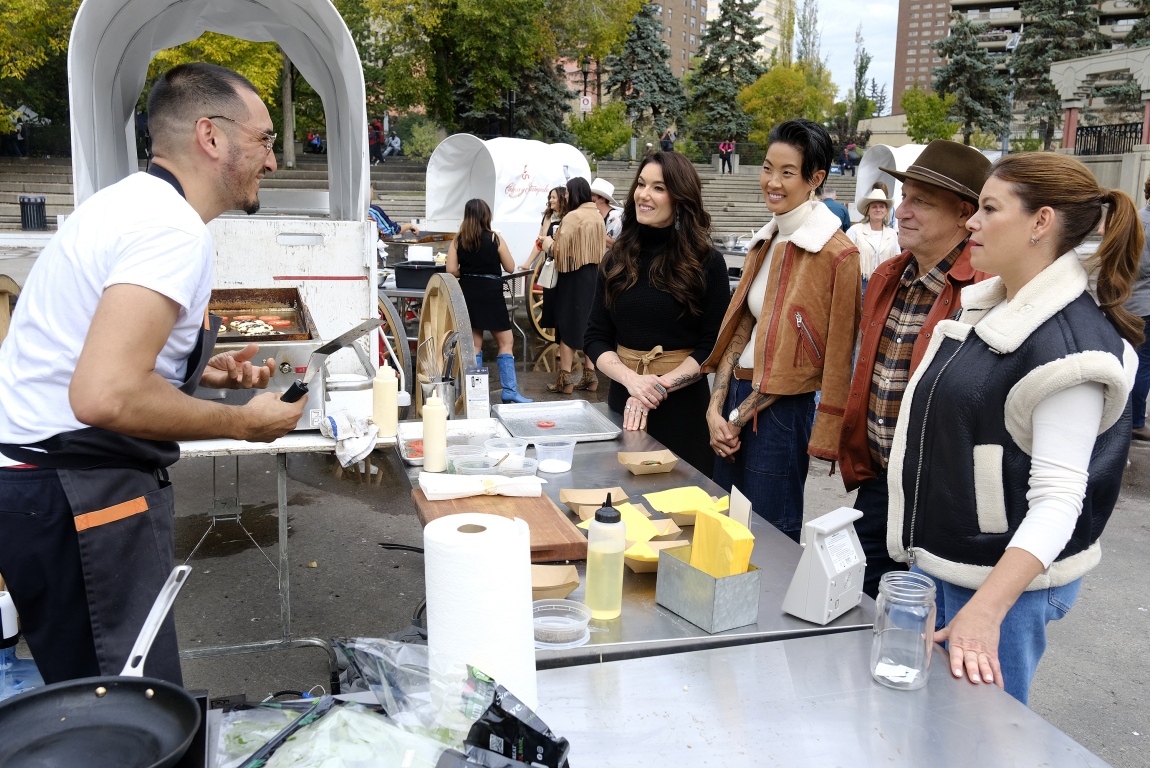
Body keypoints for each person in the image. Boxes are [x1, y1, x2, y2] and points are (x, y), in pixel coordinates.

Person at [0, 63, 305, 687]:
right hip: (74, 489)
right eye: (265, 139)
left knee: (102, 695)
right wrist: (242, 424)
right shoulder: (170, 229)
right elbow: (104, 394)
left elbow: (97, 351)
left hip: (46, 484)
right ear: (211, 136)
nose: (273, 161)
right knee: (124, 705)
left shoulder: (127, 204)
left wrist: (198, 372)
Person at [887, 151, 1142, 705]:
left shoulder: (1070, 350)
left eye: (989, 208)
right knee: (933, 728)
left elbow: (1059, 500)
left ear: (1040, 222)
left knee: (981, 734)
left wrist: (987, 610)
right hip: (950, 567)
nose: (972, 223)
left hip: (998, 587)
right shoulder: (996, 308)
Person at [836, 139, 992, 599]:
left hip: (945, 499)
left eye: (921, 202)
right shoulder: (888, 277)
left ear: (965, 214)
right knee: (855, 607)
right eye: (904, 197)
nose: (901, 212)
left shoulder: (986, 290)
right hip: (882, 484)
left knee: (927, 620)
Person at [701, 118, 861, 543]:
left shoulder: (837, 254)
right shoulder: (766, 240)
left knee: (770, 539)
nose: (772, 181)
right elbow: (742, 329)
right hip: (734, 397)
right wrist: (716, 410)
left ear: (815, 179)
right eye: (768, 168)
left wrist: (736, 417)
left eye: (788, 172)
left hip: (780, 414)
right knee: (721, 531)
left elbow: (835, 356)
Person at [584, 152, 730, 475]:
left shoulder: (708, 263)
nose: (644, 195)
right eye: (641, 184)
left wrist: (656, 388)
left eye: (658, 188)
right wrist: (633, 381)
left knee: (683, 500)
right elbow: (595, 337)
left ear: (680, 198)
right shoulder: (616, 259)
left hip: (683, 411)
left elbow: (711, 346)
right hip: (624, 404)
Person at [446, 199, 532, 404]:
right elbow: (510, 267)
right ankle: (509, 391)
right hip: (491, 294)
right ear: (487, 216)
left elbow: (451, 270)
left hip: (468, 293)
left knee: (475, 345)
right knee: (506, 342)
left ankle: (475, 394)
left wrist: (468, 272)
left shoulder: (458, 240)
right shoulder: (495, 238)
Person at [542, 177, 604, 394]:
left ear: (575, 193)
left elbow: (560, 252)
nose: (565, 196)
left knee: (567, 324)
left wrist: (548, 243)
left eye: (567, 192)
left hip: (572, 277)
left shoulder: (572, 216)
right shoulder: (597, 217)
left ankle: (565, 380)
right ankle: (590, 376)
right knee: (588, 324)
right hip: (592, 276)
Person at [518, 187, 568, 336]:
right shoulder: (547, 217)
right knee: (550, 301)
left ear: (562, 199)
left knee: (563, 303)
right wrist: (528, 263)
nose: (550, 200)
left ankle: (563, 339)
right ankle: (554, 337)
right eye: (550, 197)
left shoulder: (569, 218)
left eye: (554, 197)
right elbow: (539, 244)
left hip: (564, 265)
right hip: (549, 265)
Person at [1127, 171, 1150, 441]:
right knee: (1143, 363)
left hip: (1130, 300)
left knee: (1134, 360)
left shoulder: (1135, 220)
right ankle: (1135, 422)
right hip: (1146, 303)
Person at [846, 186, 900, 296]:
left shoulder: (892, 234)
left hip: (885, 282)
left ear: (886, 211)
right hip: (861, 282)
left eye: (881, 207)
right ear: (867, 211)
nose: (878, 210)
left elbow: (897, 258)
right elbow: (846, 257)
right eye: (874, 206)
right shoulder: (855, 230)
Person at [590, 178, 623, 248]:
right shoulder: (594, 213)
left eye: (592, 195)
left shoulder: (614, 216)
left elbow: (614, 244)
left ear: (602, 199)